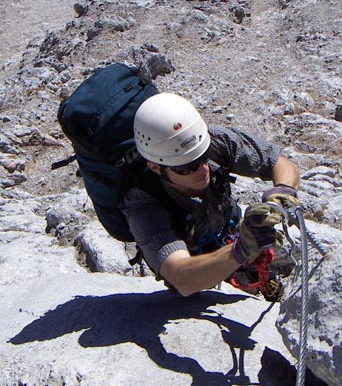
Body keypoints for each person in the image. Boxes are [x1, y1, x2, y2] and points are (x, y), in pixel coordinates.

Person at [121, 92, 301, 298]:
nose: (203, 170)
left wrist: (281, 194)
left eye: (204, 156)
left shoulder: (212, 140)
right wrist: (240, 250)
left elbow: (281, 164)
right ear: (155, 168)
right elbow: (181, 276)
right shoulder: (142, 202)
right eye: (186, 168)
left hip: (227, 234)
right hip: (195, 262)